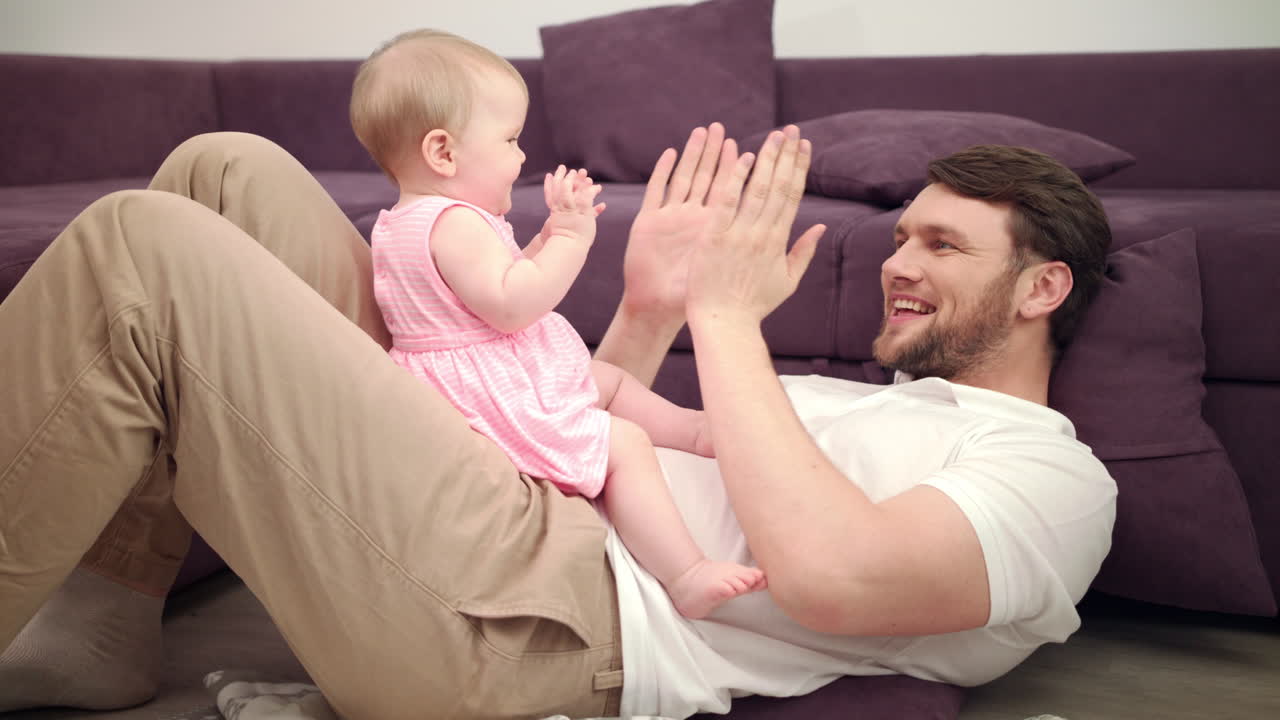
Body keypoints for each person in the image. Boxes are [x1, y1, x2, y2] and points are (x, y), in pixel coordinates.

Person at [0, 116, 1116, 718]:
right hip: (515, 498)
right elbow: (583, 423)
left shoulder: (1051, 479)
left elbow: (836, 580)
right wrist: (643, 311)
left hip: (550, 619)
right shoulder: (852, 407)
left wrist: (723, 322)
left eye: (941, 246)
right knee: (221, 170)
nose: (897, 266)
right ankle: (104, 618)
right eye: (900, 237)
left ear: (1041, 290)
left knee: (139, 249)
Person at [350, 30, 764, 620]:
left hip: (481, 373)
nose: (522, 157)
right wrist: (571, 239)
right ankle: (687, 573)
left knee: (611, 383)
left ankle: (697, 432)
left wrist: (543, 236)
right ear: (443, 153)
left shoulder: (404, 222)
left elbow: (485, 286)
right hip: (491, 389)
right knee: (623, 443)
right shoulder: (454, 223)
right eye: (511, 139)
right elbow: (514, 304)